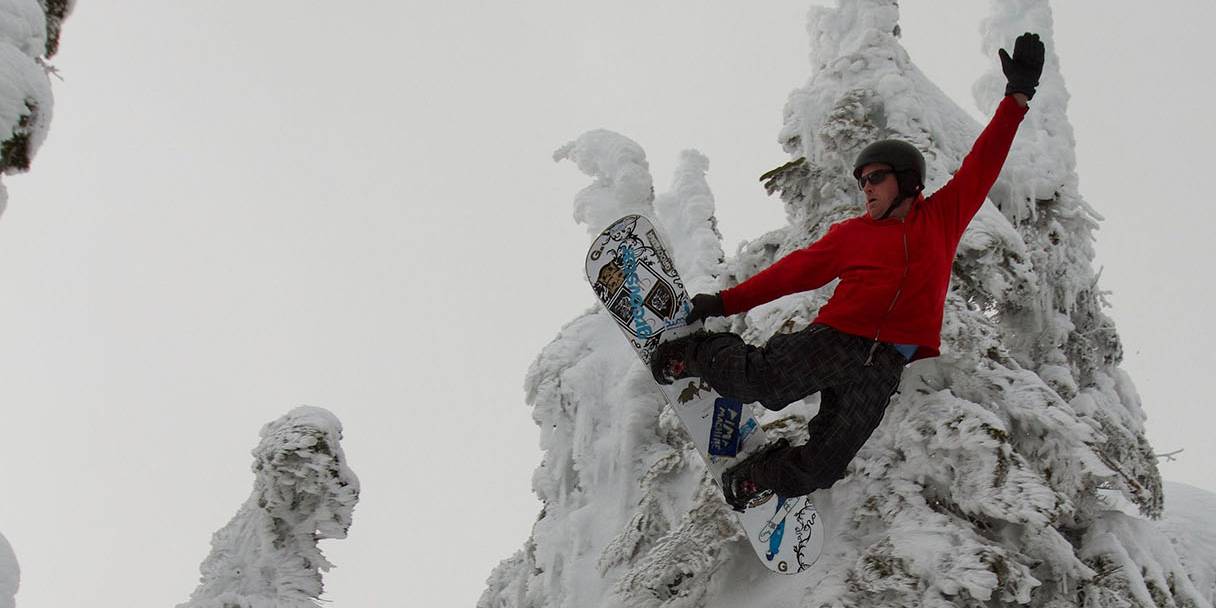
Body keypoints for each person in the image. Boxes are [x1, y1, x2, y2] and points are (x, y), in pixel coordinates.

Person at [650, 33, 1045, 511]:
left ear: (907, 181)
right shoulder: (851, 235)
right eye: (861, 181)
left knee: (825, 466)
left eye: (875, 177)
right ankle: (696, 352)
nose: (866, 188)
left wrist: (1016, 98)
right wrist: (728, 302)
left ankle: (759, 475)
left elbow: (983, 163)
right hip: (839, 338)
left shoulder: (941, 218)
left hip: (884, 366)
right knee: (766, 384)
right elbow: (793, 273)